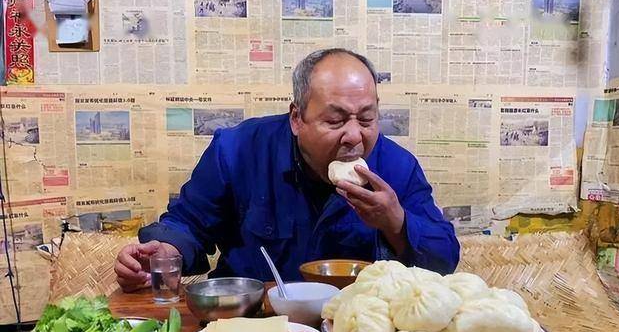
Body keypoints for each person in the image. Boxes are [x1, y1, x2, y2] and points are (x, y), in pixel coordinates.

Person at [115, 48, 459, 292]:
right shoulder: (238, 150)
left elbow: (445, 258)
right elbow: (189, 223)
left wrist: (395, 222)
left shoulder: (396, 166)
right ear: (297, 118)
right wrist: (164, 253)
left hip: (355, 328)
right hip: (251, 318)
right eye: (335, 120)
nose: (354, 136)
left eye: (367, 119)